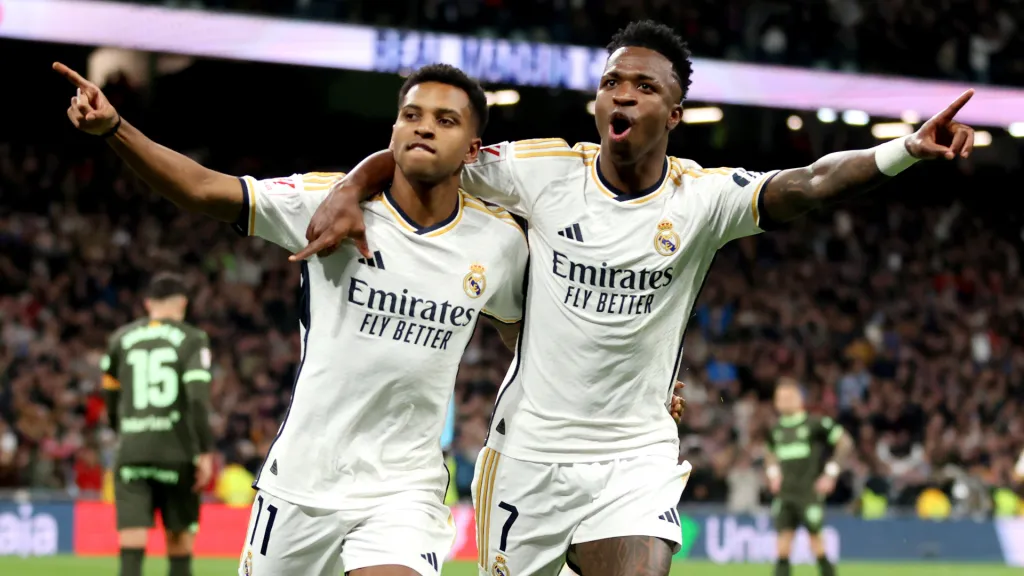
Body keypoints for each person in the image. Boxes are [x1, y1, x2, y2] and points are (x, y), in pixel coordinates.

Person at [296, 18, 975, 576]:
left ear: (674, 112)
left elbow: (810, 182)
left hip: (634, 455)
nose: (621, 95)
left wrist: (903, 150)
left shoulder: (703, 198)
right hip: (528, 455)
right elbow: (428, 151)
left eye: (643, 86)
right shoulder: (538, 172)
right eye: (611, 82)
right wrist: (352, 187)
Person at [55, 61, 531, 576]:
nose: (423, 126)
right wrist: (116, 129)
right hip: (301, 484)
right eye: (411, 114)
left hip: (404, 490)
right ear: (392, 131)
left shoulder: (498, 242)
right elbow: (202, 189)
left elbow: (523, 329)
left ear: (472, 149)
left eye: (445, 120)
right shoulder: (326, 205)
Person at [100, 272, 216, 576]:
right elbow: (197, 400)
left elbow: (110, 399)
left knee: (132, 537)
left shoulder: (119, 339)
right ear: (183, 303)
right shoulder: (193, 339)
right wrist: (204, 450)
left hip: (132, 450)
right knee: (179, 538)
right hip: (176, 451)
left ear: (147, 303)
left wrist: (122, 430)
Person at [765, 379, 853, 576]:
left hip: (808, 493)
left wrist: (830, 473)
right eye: (780, 397)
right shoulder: (776, 429)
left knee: (816, 544)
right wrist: (773, 474)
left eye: (789, 397)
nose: (784, 401)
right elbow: (769, 453)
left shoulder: (814, 423)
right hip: (785, 495)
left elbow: (845, 441)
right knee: (782, 547)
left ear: (800, 399)